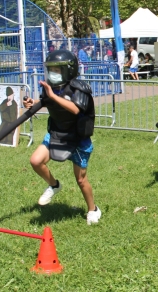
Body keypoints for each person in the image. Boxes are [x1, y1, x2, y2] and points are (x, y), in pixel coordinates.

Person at [23, 50, 101, 224]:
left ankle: (93, 209)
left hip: (77, 139)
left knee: (81, 180)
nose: (53, 74)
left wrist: (51, 96)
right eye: (50, 70)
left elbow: (75, 109)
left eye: (57, 70)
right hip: (56, 134)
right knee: (36, 161)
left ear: (68, 70)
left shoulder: (79, 88)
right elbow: (46, 101)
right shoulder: (52, 89)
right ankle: (54, 185)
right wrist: (33, 102)